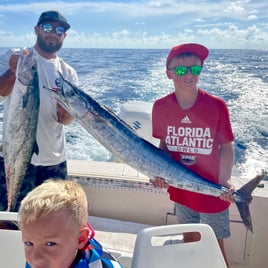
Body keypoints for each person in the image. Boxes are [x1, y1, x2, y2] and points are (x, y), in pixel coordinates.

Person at [151, 43, 235, 267]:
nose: (189, 75)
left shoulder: (217, 106)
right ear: (169, 74)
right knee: (189, 242)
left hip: (212, 192)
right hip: (182, 190)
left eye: (195, 70)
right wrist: (159, 173)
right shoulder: (160, 107)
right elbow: (164, 145)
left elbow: (227, 147)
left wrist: (224, 179)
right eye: (181, 70)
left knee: (215, 249)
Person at [0, 10, 78, 211]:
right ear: (36, 29)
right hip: (15, 153)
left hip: (54, 159)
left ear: (64, 36)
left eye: (59, 30)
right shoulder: (14, 56)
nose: (53, 33)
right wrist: (12, 71)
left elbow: (66, 120)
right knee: (8, 218)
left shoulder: (68, 72)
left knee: (52, 217)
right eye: (47, 28)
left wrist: (67, 110)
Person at [18, 179, 122, 268]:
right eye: (29, 243)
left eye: (50, 244)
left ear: (80, 239)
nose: (36, 258)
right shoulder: (43, 259)